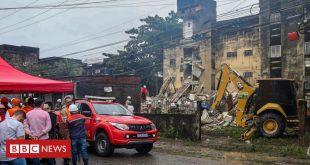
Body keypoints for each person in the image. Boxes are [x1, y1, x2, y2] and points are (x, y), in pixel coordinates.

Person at [24, 99, 53, 165]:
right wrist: (40, 134)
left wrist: (31, 134)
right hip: (44, 138)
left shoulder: (28, 113)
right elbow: (49, 127)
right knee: (48, 155)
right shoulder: (45, 113)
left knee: (35, 156)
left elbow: (25, 126)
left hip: (33, 138)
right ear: (42, 104)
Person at [59, 96, 73, 165]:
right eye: (68, 102)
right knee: (66, 142)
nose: (70, 103)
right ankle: (65, 158)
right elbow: (64, 120)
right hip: (65, 128)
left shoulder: (71, 109)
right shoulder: (63, 110)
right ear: (65, 102)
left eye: (70, 102)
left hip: (70, 127)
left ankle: (67, 156)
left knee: (69, 143)